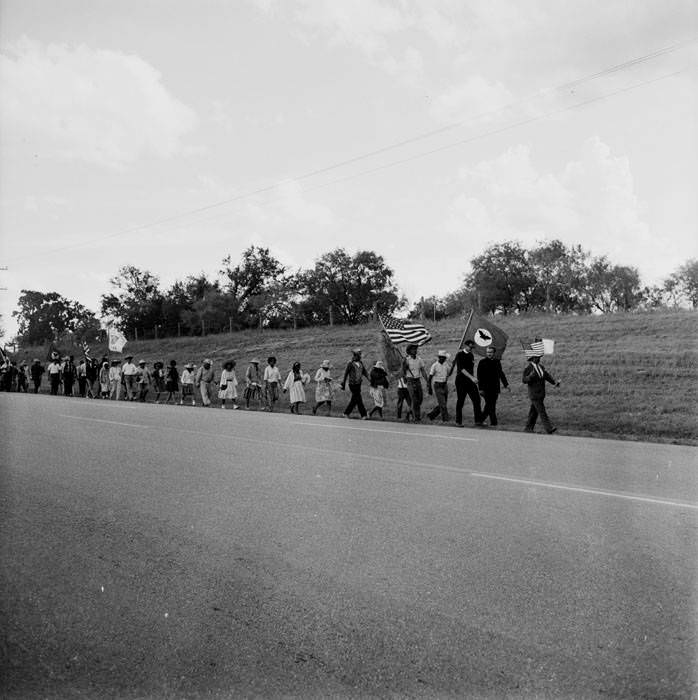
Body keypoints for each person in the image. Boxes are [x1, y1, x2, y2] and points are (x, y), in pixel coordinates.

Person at [522, 353, 560, 434]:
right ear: (532, 358)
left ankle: (528, 428)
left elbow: (547, 376)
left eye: (539, 357)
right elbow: (524, 380)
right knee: (542, 411)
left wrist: (554, 383)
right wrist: (530, 376)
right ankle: (549, 428)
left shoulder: (541, 367)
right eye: (537, 357)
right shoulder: (528, 368)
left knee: (534, 412)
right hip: (534, 394)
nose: (539, 358)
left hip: (541, 393)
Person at [449, 340, 483, 427]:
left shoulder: (471, 355)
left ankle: (478, 421)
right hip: (461, 380)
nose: (471, 349)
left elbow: (470, 369)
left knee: (476, 399)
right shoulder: (459, 355)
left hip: (470, 381)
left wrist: (473, 378)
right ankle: (458, 421)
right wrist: (472, 378)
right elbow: (462, 369)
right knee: (461, 400)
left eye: (472, 348)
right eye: (470, 347)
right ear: (466, 346)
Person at [477, 346, 510, 426]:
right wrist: (480, 388)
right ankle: (490, 422)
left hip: (495, 388)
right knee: (490, 405)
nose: (489, 354)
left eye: (491, 352)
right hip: (485, 388)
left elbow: (501, 374)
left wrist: (506, 384)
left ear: (494, 353)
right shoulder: (482, 362)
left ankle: (484, 421)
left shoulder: (497, 362)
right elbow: (479, 376)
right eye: (488, 352)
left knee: (491, 405)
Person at [402, 344, 428, 422]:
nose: (415, 350)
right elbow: (403, 371)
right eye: (413, 349)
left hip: (417, 380)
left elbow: (423, 370)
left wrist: (427, 380)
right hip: (410, 380)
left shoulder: (419, 359)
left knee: (420, 399)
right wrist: (404, 366)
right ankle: (416, 417)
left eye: (415, 349)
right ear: (409, 351)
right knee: (414, 399)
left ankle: (409, 412)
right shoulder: (406, 360)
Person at [341, 348, 369, 419]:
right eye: (359, 355)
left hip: (358, 384)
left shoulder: (361, 363)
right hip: (352, 384)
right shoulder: (350, 363)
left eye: (360, 355)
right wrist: (343, 384)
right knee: (359, 399)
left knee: (354, 400)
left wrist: (370, 380)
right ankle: (364, 415)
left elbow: (365, 372)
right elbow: (346, 374)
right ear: (355, 355)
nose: (360, 356)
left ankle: (346, 413)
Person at [427, 351, 451, 423]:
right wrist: (430, 388)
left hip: (444, 385)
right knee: (443, 404)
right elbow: (430, 377)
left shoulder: (446, 365)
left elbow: (449, 373)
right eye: (441, 357)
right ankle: (445, 420)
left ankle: (431, 415)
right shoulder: (434, 365)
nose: (442, 359)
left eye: (444, 358)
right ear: (439, 357)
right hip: (438, 385)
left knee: (443, 403)